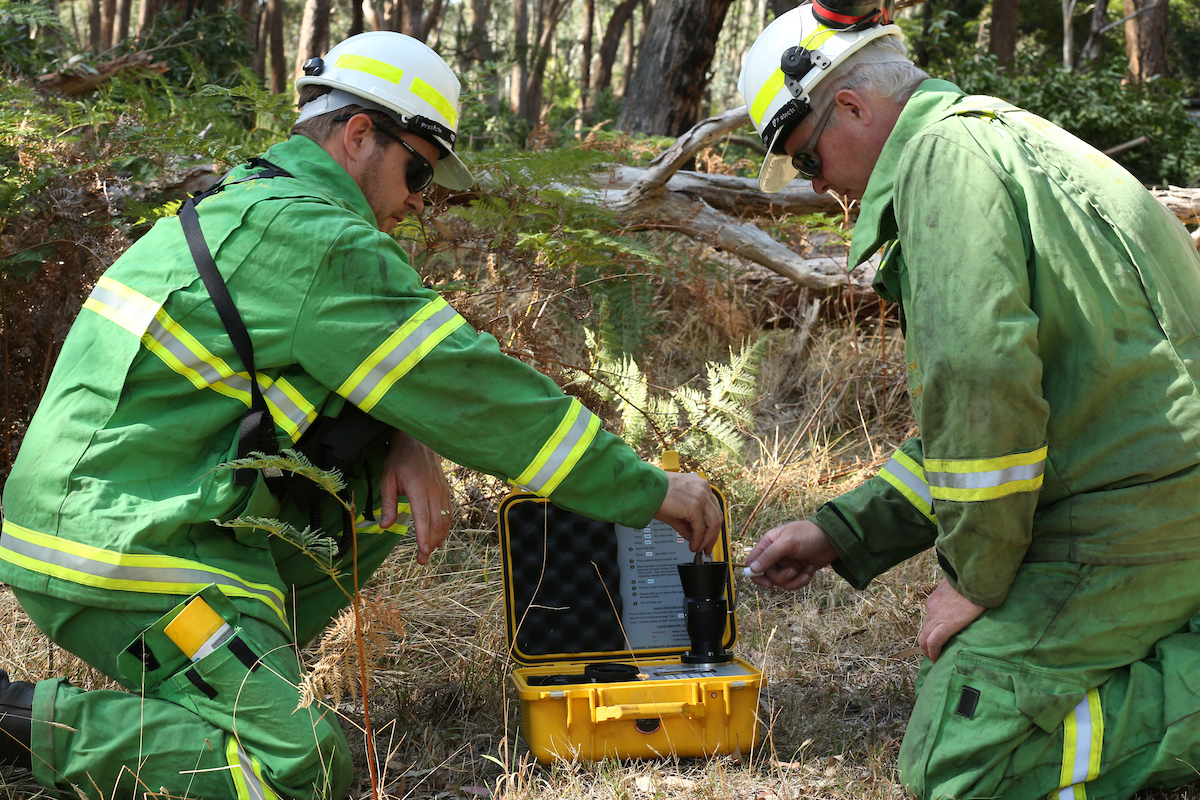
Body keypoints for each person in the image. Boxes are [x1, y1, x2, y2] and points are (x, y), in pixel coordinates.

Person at [0, 32, 722, 799]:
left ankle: (220, 680)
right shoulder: (319, 242)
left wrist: (402, 436)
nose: (420, 197)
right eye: (419, 169)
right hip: (125, 543)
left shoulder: (250, 205)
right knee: (298, 769)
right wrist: (647, 490)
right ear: (357, 135)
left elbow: (346, 372)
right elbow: (472, 387)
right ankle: (21, 721)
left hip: (125, 511)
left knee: (380, 504)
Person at [737, 2, 1200, 798]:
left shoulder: (941, 160)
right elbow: (991, 420)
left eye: (808, 159)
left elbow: (983, 389)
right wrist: (838, 533)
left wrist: (975, 579)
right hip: (1153, 493)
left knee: (958, 763)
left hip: (1131, 519)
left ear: (850, 105)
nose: (820, 187)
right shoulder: (999, 137)